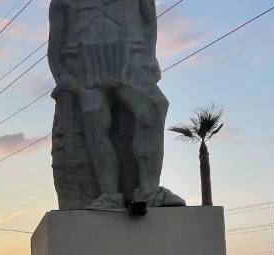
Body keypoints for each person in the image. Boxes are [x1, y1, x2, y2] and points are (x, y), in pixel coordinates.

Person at [48, 0, 185, 209]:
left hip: (130, 57)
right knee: (95, 121)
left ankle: (149, 190)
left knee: (154, 108)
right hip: (82, 60)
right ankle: (109, 194)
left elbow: (149, 23)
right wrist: (63, 76)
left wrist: (149, 57)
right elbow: (55, 43)